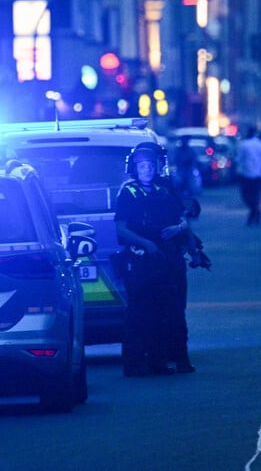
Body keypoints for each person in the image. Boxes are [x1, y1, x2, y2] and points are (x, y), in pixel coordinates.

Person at [114, 142, 196, 376]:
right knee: (139, 314)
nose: (147, 170)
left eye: (150, 165)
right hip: (141, 262)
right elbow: (121, 230)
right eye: (142, 166)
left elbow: (182, 218)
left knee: (168, 313)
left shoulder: (164, 190)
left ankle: (161, 362)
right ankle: (135, 365)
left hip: (166, 260)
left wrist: (179, 229)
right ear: (134, 169)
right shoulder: (128, 193)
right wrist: (146, 243)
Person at [236, 126, 261, 225]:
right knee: (256, 195)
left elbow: (239, 159)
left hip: (246, 174)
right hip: (258, 174)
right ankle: (255, 212)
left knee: (246, 196)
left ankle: (254, 211)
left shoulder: (243, 145)